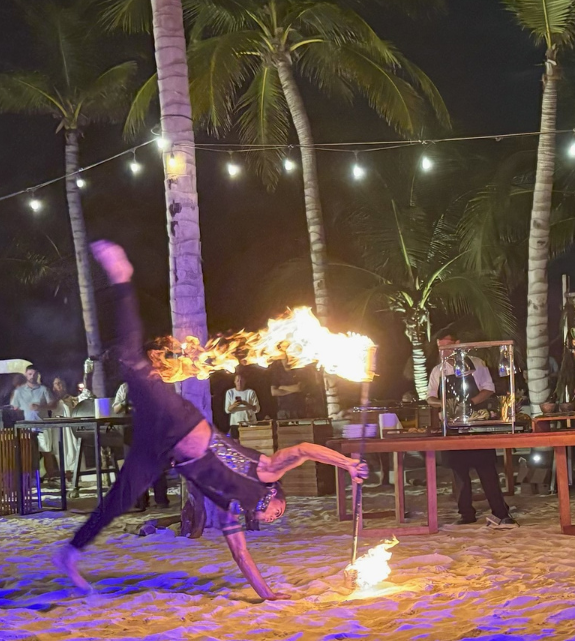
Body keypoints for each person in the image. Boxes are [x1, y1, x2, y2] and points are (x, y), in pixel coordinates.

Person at [54, 241, 369, 601]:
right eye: (278, 513)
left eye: (274, 519)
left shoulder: (227, 507)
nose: (275, 518)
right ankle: (121, 278)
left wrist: (268, 595)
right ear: (273, 497)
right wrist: (347, 463)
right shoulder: (264, 473)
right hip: (179, 423)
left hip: (161, 450)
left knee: (119, 498)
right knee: (130, 359)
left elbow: (241, 554)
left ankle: (70, 553)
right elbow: (303, 449)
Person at [427, 330, 515, 527]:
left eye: (448, 346)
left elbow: (488, 388)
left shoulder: (476, 363)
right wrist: (444, 404)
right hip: (451, 426)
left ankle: (500, 512)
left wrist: (470, 403)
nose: (445, 351)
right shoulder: (437, 371)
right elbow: (430, 396)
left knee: (486, 470)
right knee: (458, 473)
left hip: (476, 423)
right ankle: (466, 513)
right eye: (441, 348)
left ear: (457, 344)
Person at [223, 373, 260, 437]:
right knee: (236, 443)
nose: (239, 383)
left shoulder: (250, 392)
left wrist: (246, 404)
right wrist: (234, 405)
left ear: (245, 381)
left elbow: (257, 409)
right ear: (234, 382)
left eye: (241, 381)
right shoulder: (230, 392)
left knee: (250, 442)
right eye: (237, 380)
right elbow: (227, 410)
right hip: (235, 423)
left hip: (249, 423)